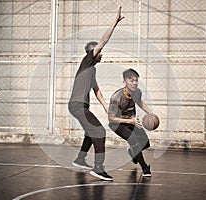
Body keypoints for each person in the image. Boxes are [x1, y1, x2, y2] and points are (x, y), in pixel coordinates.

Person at [68, 6, 124, 181]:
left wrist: (106, 107)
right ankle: (98, 168)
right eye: (99, 52)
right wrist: (114, 22)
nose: (102, 54)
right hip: (77, 106)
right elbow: (104, 40)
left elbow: (97, 91)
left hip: (78, 106)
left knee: (90, 132)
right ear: (93, 52)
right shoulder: (87, 61)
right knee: (99, 131)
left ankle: (80, 159)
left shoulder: (90, 70)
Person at [108, 68, 152, 177]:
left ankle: (133, 152)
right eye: (131, 80)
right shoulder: (116, 97)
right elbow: (111, 118)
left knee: (146, 143)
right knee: (133, 139)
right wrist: (130, 121)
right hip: (117, 124)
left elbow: (140, 102)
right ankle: (144, 167)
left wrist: (151, 113)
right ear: (124, 81)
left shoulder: (137, 92)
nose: (135, 83)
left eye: (136, 80)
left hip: (131, 122)